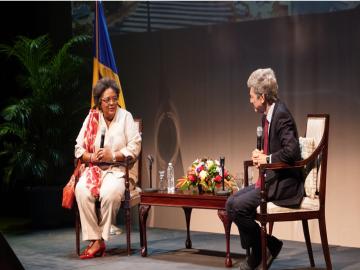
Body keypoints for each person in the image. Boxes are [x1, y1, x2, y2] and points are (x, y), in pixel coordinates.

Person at [226, 68, 304, 269]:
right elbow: (270, 149)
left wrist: (267, 158)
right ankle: (267, 245)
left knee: (239, 208)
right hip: (269, 179)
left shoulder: (282, 115)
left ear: (262, 96)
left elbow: (292, 151)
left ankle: (261, 250)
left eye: (252, 96)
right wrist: (259, 154)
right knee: (231, 203)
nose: (250, 100)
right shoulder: (267, 117)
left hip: (284, 184)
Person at [74, 78, 141, 259]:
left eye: (114, 98)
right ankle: (96, 240)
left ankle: (99, 240)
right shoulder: (92, 118)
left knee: (110, 193)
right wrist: (91, 156)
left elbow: (135, 147)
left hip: (119, 170)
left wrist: (112, 154)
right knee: (81, 190)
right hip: (95, 170)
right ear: (99, 102)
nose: (112, 103)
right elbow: (79, 148)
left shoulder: (125, 117)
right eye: (107, 100)